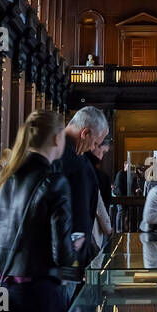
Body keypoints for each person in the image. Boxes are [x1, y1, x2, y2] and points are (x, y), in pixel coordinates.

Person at [0, 111, 76, 312]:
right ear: (56, 138)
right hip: (34, 289)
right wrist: (75, 246)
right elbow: (61, 254)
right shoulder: (54, 182)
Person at [58, 106, 109, 274]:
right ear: (85, 133)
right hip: (64, 264)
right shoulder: (73, 162)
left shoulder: (57, 149)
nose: (91, 149)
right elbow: (78, 214)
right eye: (94, 143)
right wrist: (77, 262)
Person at [87, 137, 115, 244]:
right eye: (102, 151)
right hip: (94, 231)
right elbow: (100, 206)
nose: (101, 156)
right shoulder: (94, 174)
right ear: (95, 145)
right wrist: (108, 229)